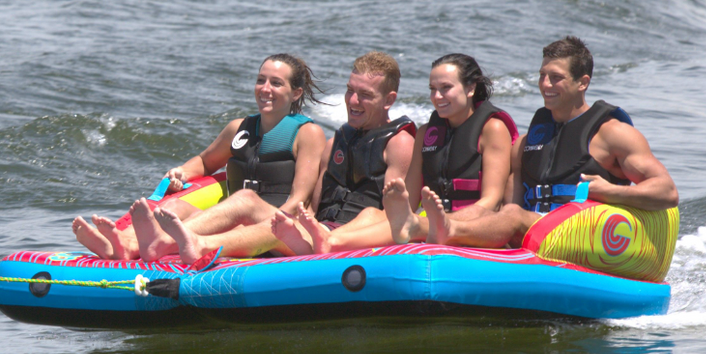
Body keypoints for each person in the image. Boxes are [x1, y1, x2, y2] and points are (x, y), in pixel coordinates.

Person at [410, 36, 678, 248]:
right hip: (535, 233)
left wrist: (611, 191)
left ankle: (445, 229)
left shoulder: (612, 133)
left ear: (582, 82)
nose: (545, 84)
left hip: (586, 232)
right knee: (510, 212)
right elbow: (509, 204)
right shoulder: (528, 141)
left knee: (513, 216)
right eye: (542, 75)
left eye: (556, 77)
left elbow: (667, 192)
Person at [156, 52, 414, 264]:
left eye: (365, 95)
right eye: (350, 91)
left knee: (247, 203)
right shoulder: (337, 140)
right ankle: (132, 243)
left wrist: (334, 237)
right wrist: (306, 226)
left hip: (350, 242)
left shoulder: (399, 143)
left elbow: (396, 218)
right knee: (179, 207)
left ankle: (186, 244)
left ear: (389, 99)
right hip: (318, 232)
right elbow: (315, 204)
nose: (353, 100)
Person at [72, 54, 325, 260]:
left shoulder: (307, 133)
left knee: (245, 199)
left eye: (276, 83)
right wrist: (181, 172)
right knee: (172, 207)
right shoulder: (239, 128)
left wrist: (253, 227)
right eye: (261, 80)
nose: (265, 89)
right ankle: (120, 241)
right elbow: (205, 162)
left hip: (282, 228)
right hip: (239, 217)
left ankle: (141, 245)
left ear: (296, 93)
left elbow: (298, 202)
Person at [274, 53, 517, 253]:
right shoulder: (426, 133)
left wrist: (447, 221)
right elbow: (407, 204)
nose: (437, 97)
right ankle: (327, 239)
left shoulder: (492, 128)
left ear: (471, 88)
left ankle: (328, 242)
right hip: (431, 221)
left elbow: (491, 201)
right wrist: (397, 203)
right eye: (433, 89)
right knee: (373, 213)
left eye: (446, 88)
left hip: (476, 223)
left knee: (410, 222)